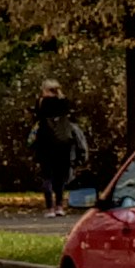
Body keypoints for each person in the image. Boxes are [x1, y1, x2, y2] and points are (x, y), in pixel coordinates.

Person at [28, 83, 91, 218]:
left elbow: (36, 118)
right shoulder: (64, 103)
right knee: (60, 178)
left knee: (47, 177)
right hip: (63, 146)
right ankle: (59, 206)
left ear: (46, 90)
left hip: (45, 145)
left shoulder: (42, 103)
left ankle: (49, 208)